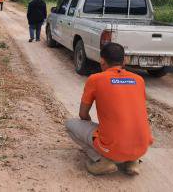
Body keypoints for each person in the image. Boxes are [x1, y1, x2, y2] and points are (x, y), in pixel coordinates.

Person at [65, 43, 153, 176]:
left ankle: (104, 160)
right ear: (124, 61)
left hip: (114, 146)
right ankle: (132, 161)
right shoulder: (139, 80)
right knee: (129, 125)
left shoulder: (95, 79)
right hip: (142, 145)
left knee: (70, 124)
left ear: (102, 61)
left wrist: (90, 125)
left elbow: (83, 114)